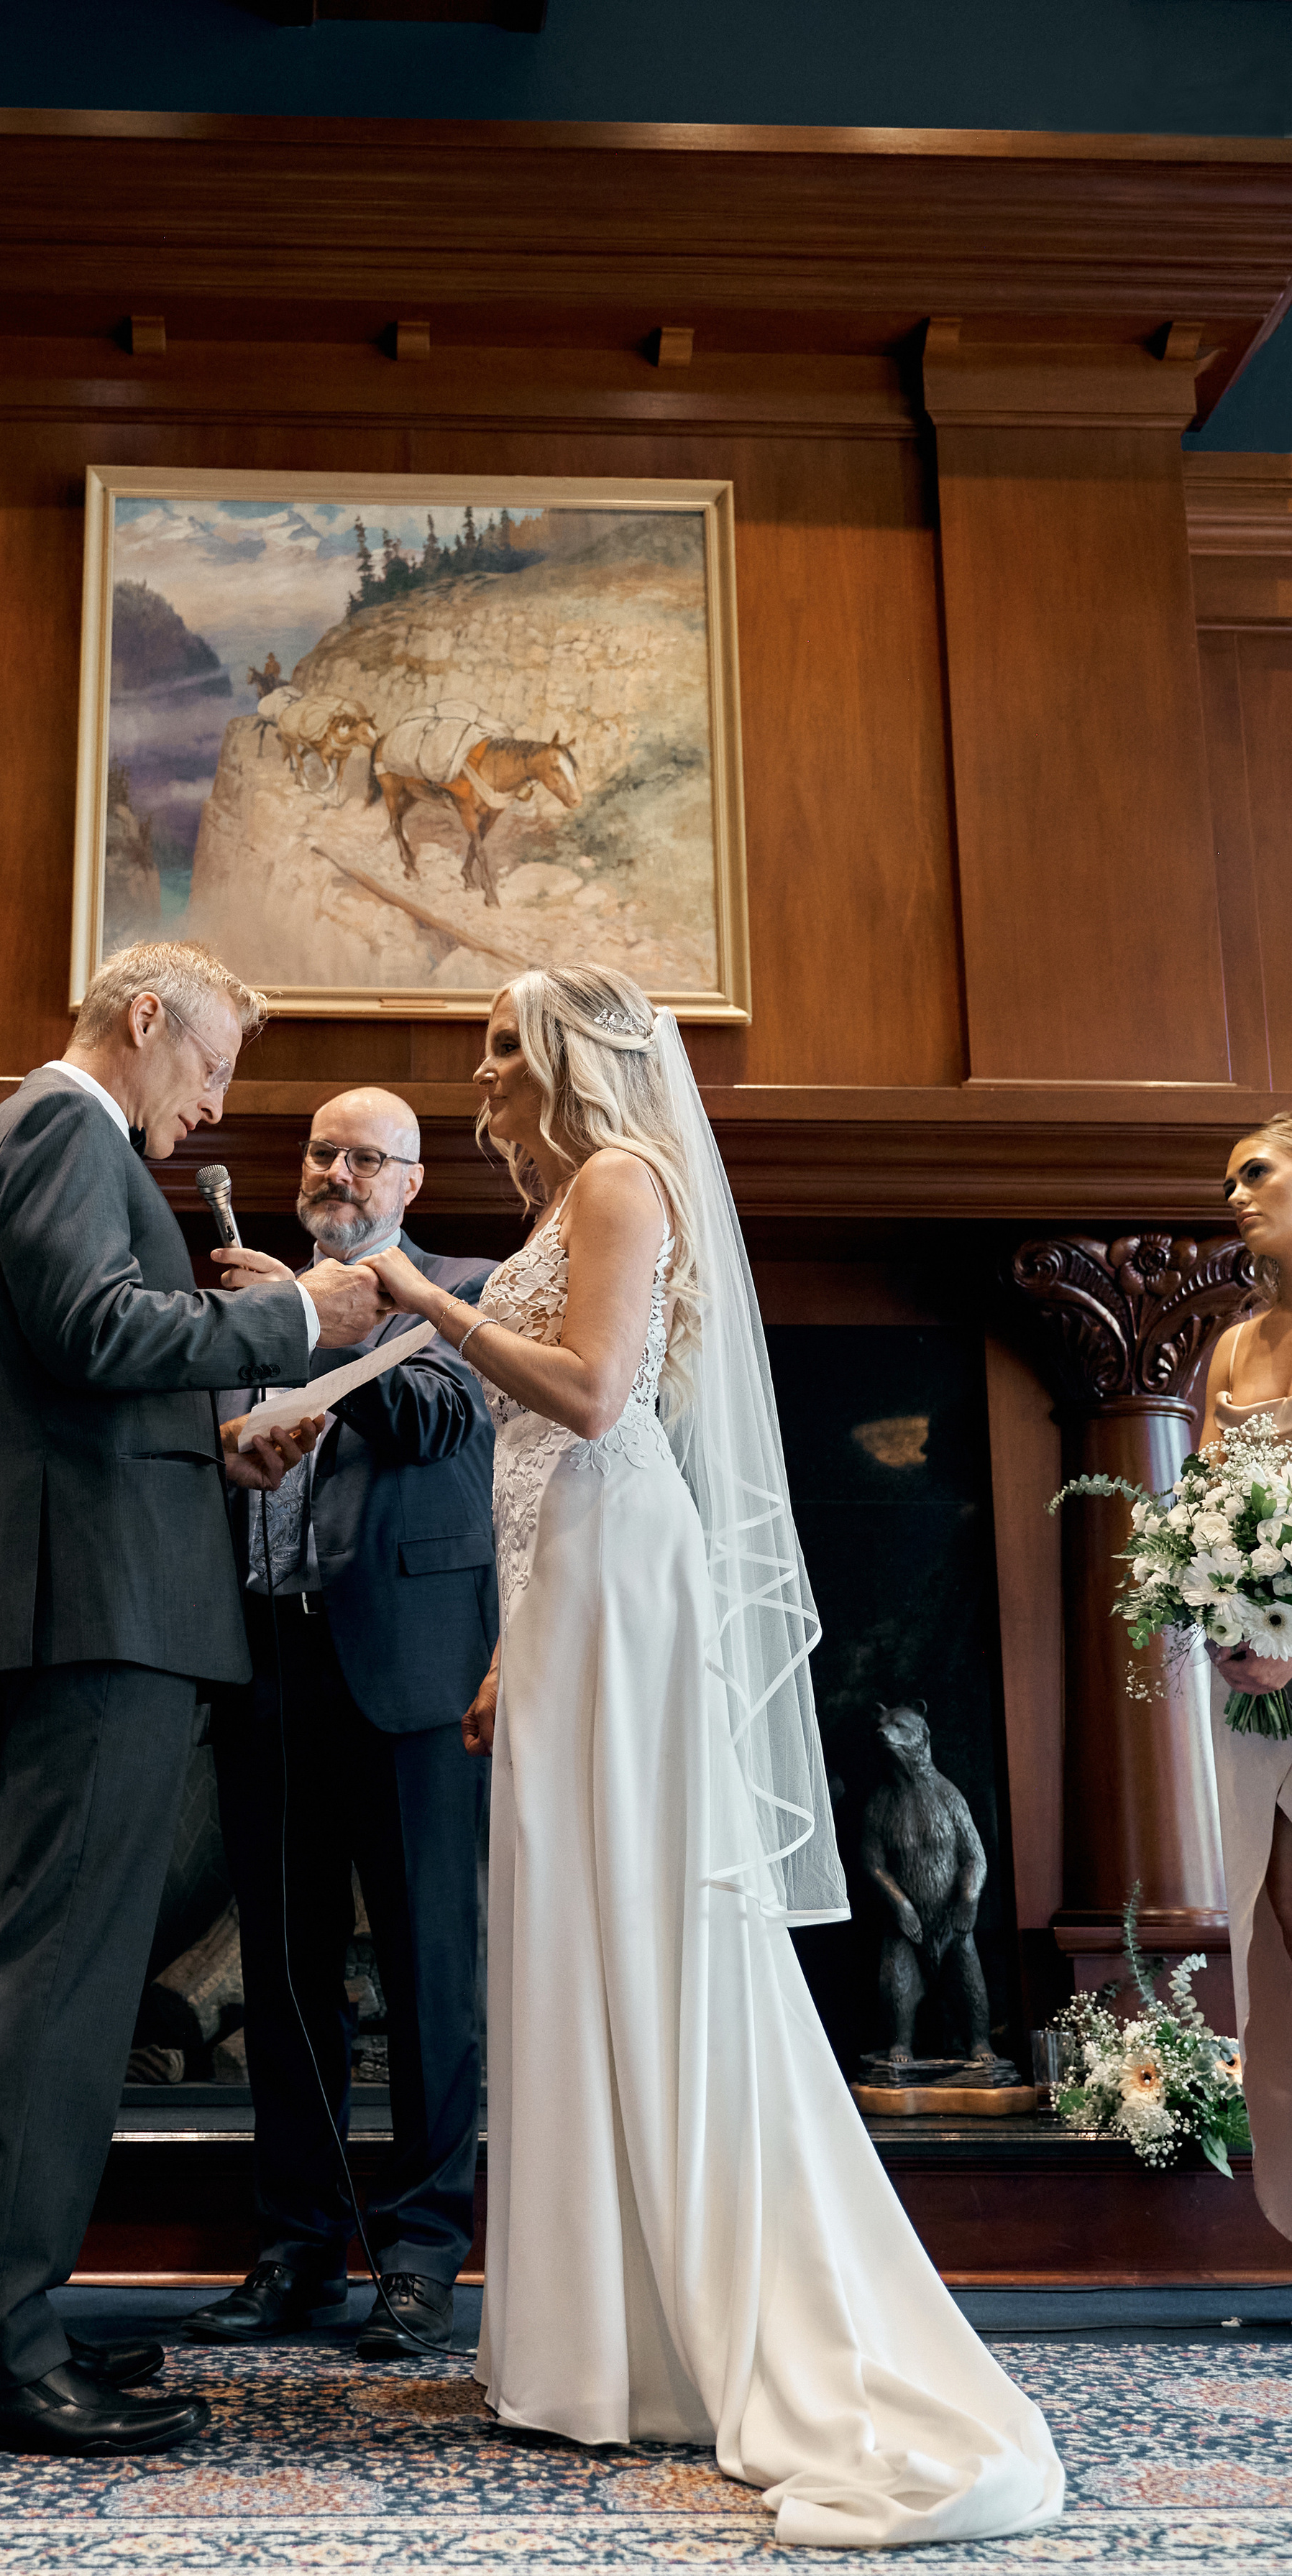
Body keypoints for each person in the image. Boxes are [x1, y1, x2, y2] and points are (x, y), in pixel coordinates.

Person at [363, 966, 1064, 2548]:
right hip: (568, 1601)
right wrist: (507, 1644)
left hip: (626, 1597)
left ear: (571, 1058)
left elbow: (594, 1398)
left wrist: (423, 1302)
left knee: (637, 1929)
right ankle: (593, 2345)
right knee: (570, 1934)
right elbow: (539, 1470)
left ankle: (676, 2331)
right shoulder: (570, 1200)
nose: (479, 1075)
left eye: (499, 1048)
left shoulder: (621, 1178)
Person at [0, 941, 387, 2459]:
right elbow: (99, 1329)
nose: (218, 1104)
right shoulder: (62, 1129)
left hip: (99, 1606)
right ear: (141, 1018)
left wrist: (214, 1448)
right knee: (55, 1987)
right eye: (214, 1064)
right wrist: (299, 1322)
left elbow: (92, 1380)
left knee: (55, 1981)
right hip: (90, 1619)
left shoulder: (57, 1138)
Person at [185, 1089, 497, 2359]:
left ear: (413, 1183)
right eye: (324, 1152)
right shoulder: (245, 1302)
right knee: (283, 1975)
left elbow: (433, 1421)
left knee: (429, 1972)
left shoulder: (466, 1292)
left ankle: (420, 2258)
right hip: (265, 1666)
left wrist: (311, 1328)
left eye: (370, 1157)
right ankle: (297, 2250)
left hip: (415, 1679)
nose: (342, 1172)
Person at [1198, 1114, 1292, 2243]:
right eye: (1227, 1179)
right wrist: (1220, 1614)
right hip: (1256, 1689)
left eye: (1258, 1171)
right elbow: (1207, 1508)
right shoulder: (1233, 1349)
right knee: (1277, 1928)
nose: (1236, 1193)